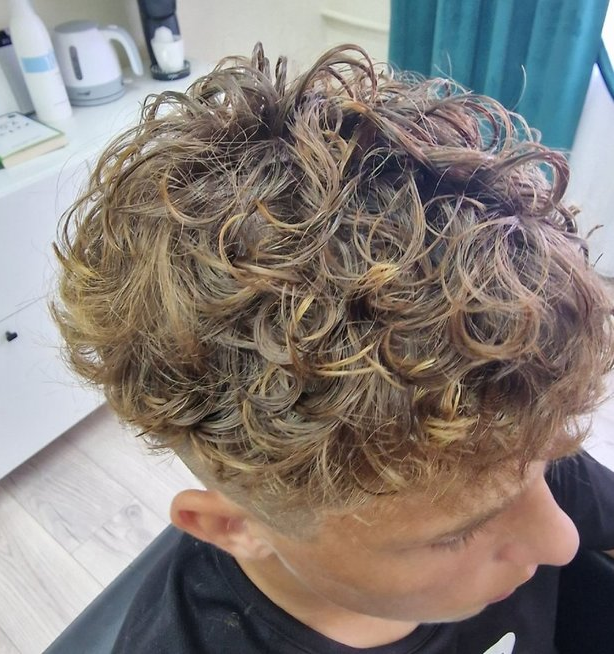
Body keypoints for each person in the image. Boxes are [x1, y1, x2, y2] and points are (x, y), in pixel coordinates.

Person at [51, 43, 614, 653]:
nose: (560, 540)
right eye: (458, 536)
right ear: (233, 530)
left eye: (549, 464)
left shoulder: (504, 450)